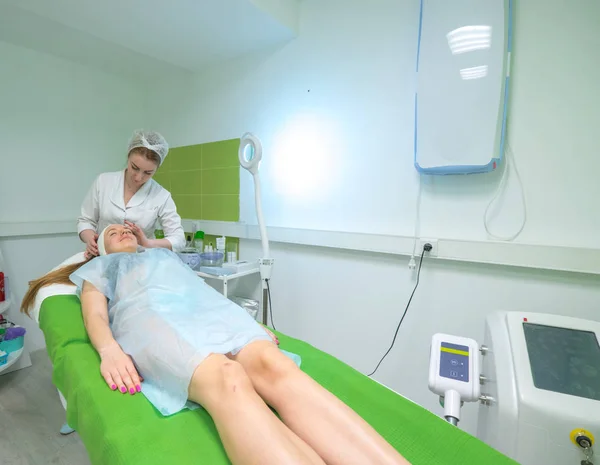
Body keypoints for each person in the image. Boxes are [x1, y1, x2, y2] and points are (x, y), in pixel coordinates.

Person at [21, 224, 410, 465]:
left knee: (278, 367)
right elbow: (95, 315)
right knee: (228, 379)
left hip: (209, 313)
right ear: (101, 248)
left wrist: (247, 323)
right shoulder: (102, 268)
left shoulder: (166, 259)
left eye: (126, 227)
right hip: (152, 319)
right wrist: (109, 350)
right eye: (112, 232)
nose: (122, 230)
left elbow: (206, 294)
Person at [77, 130, 185, 259]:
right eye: (134, 167)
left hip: (141, 263)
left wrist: (147, 243)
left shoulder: (161, 195)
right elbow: (86, 220)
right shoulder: (104, 181)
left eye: (148, 172)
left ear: (157, 169)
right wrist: (90, 239)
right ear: (128, 156)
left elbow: (178, 239)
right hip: (102, 259)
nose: (139, 177)